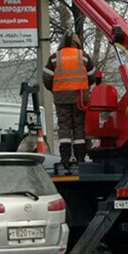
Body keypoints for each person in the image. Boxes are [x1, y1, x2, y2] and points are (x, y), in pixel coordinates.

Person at [43, 33, 96, 168]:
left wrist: (55, 89)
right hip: (79, 97)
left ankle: (65, 158)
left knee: (64, 126)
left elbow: (46, 78)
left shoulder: (55, 58)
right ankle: (80, 158)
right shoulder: (83, 56)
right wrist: (84, 87)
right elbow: (92, 75)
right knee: (79, 126)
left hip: (61, 97)